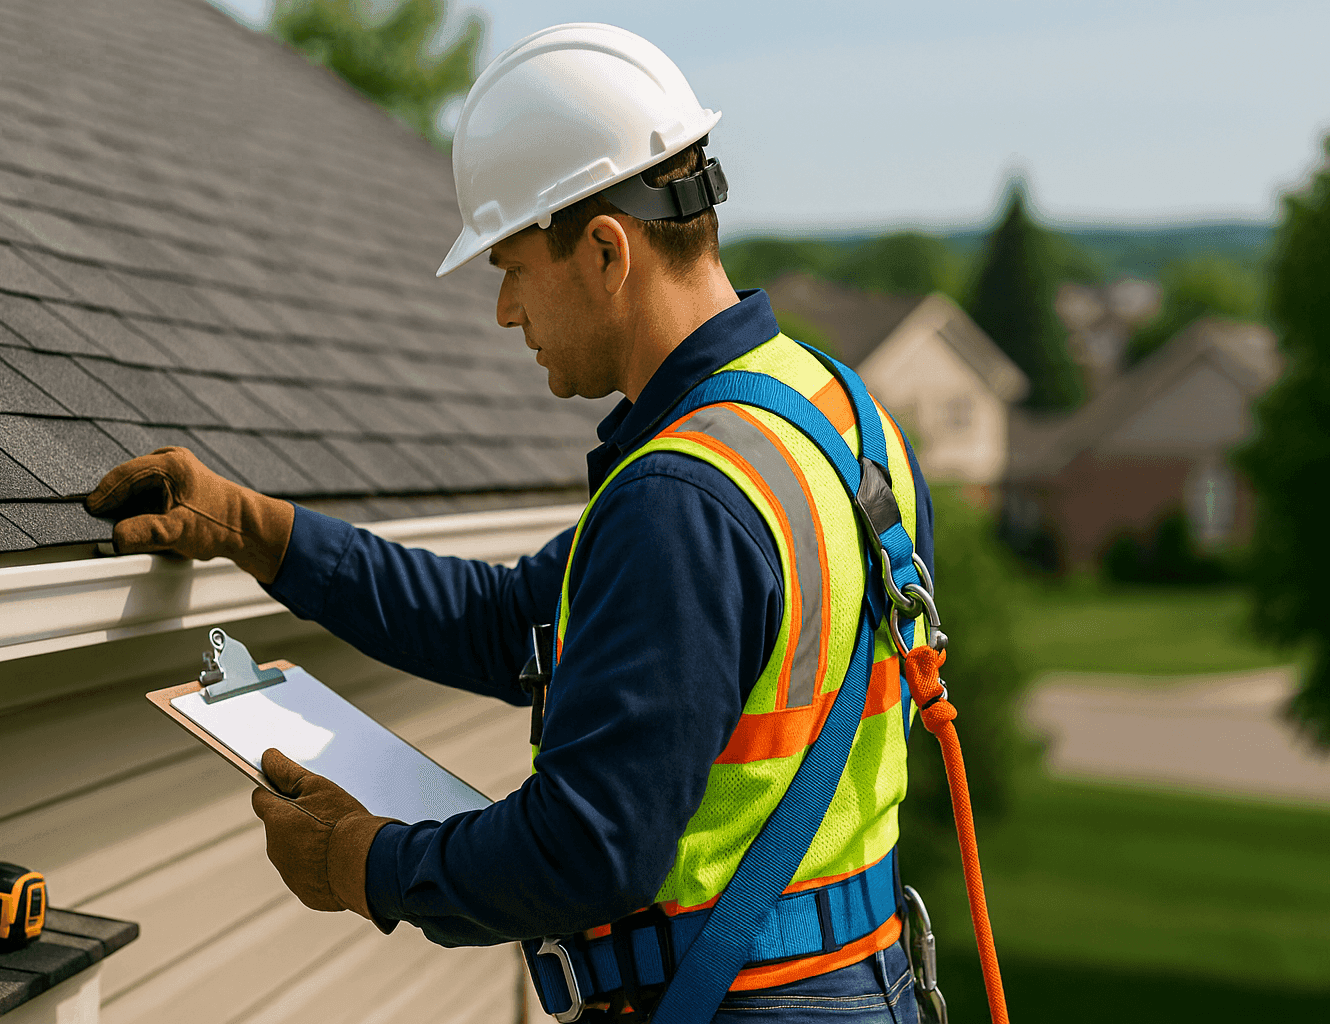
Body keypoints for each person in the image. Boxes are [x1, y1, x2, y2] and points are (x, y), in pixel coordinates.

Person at [87, 23, 932, 1024]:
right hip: (857, 984)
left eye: (513, 267)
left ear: (607, 251)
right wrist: (256, 527)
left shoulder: (682, 501)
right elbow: (511, 623)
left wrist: (366, 862)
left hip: (738, 1003)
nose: (503, 310)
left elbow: (588, 847)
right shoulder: (831, 412)